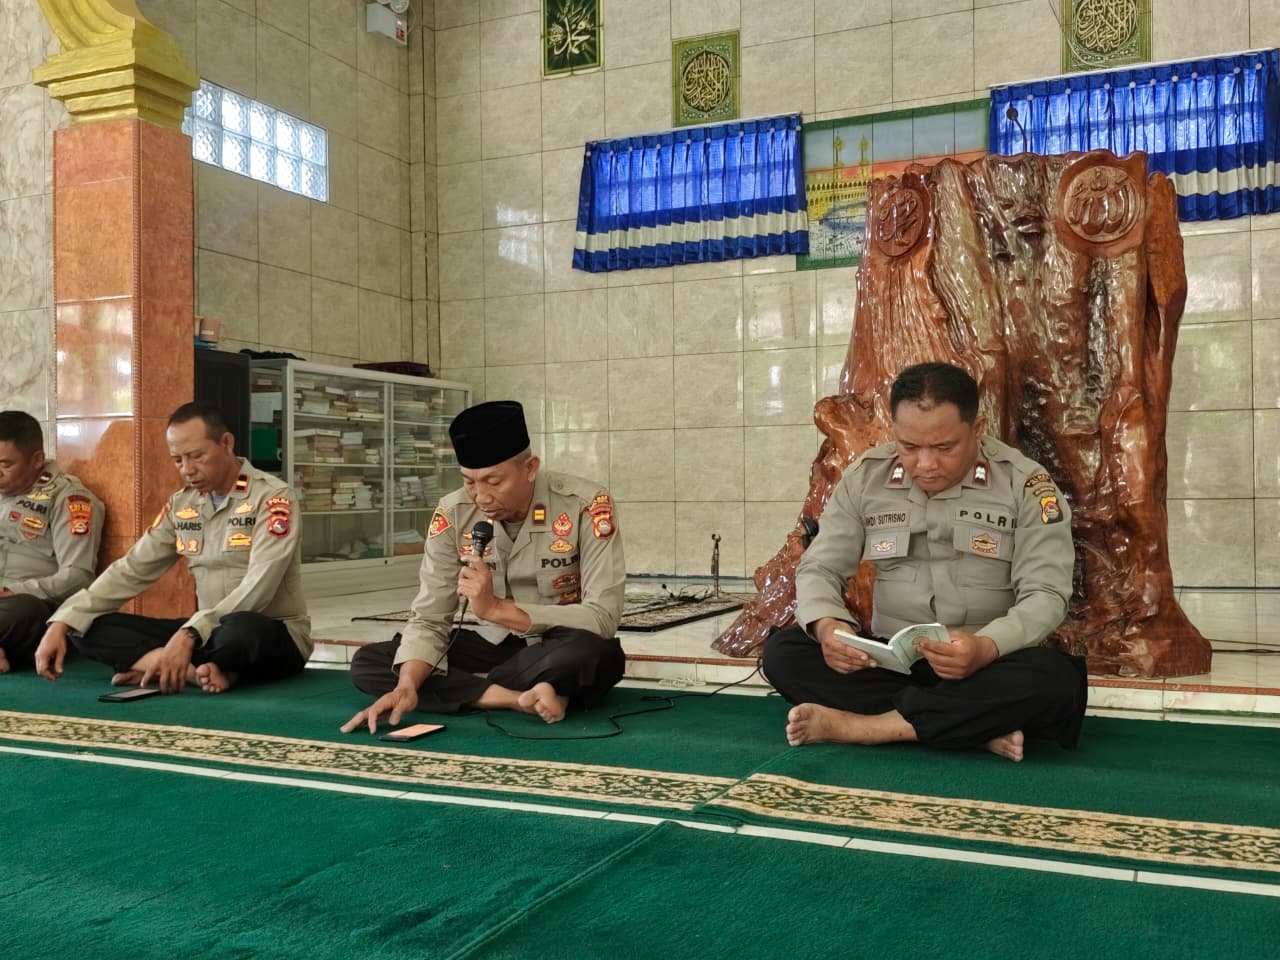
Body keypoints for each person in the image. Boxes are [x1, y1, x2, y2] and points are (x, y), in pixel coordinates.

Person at [762, 362, 1086, 762]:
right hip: (890, 663)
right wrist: (830, 629)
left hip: (985, 663)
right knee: (783, 653)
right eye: (910, 447)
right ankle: (970, 728)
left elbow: (1047, 593)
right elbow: (820, 567)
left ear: (977, 428)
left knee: (1057, 681)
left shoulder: (1024, 484)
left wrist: (987, 647)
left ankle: (870, 728)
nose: (926, 464)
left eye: (945, 447)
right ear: (895, 431)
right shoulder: (866, 478)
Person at [342, 400, 626, 733]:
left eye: (494, 481)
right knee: (372, 663)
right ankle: (518, 697)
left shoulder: (585, 505)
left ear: (530, 468)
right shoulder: (453, 513)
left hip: (556, 644)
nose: (481, 496)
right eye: (469, 482)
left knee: (597, 654)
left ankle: (476, 686)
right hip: (489, 646)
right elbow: (430, 618)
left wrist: (495, 609)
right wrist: (406, 685)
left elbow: (602, 617)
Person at [35, 402, 311, 694]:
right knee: (87, 625)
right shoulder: (182, 505)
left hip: (268, 631)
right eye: (178, 460)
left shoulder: (273, 498)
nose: (187, 470)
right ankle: (189, 670)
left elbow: (260, 586)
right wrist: (64, 620)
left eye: (197, 456)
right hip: (206, 633)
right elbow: (131, 569)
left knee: (241, 630)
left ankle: (183, 664)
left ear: (226, 443)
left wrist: (191, 632)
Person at [0, 411, 104, 674]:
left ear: (37, 459)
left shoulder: (69, 499)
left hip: (21, 604)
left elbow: (78, 577)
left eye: (5, 464)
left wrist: (12, 590)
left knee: (27, 609)